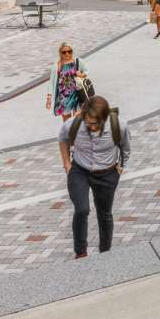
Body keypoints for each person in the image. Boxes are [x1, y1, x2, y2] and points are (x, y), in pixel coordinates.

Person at [59, 95, 129, 259]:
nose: (91, 126)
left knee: (104, 214)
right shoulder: (74, 124)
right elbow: (62, 139)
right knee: (82, 209)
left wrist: (120, 167)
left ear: (104, 119)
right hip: (80, 170)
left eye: (95, 123)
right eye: (88, 122)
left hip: (107, 173)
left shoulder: (118, 125)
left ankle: (105, 253)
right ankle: (81, 252)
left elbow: (125, 147)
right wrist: (66, 164)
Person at [45, 43, 88, 120]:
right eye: (64, 52)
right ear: (60, 53)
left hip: (77, 94)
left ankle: (76, 131)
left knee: (77, 119)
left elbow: (86, 71)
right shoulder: (56, 66)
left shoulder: (78, 62)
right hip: (64, 97)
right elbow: (51, 82)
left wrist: (81, 75)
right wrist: (49, 98)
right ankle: (70, 132)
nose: (67, 54)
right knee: (67, 122)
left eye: (69, 51)